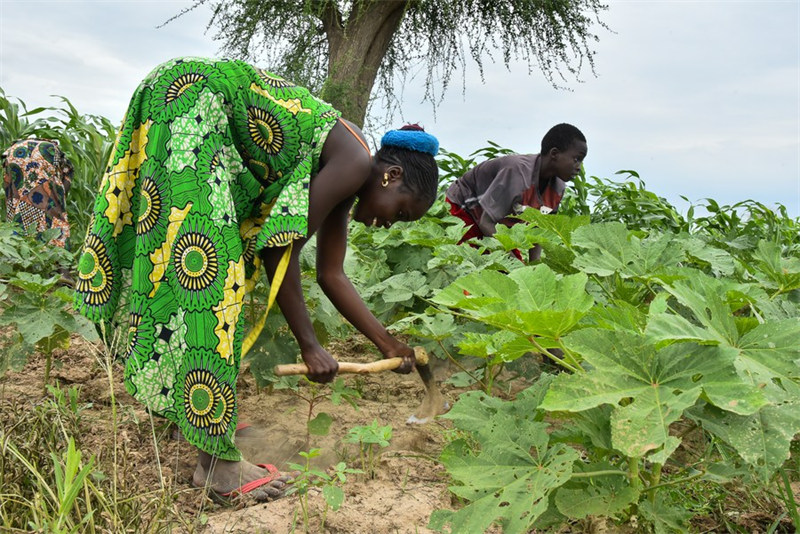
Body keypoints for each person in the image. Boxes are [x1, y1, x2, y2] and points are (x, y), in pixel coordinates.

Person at [73, 57, 439, 503]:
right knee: (208, 276)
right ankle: (218, 466)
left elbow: (331, 273)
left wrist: (388, 343)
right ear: (392, 175)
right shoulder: (354, 162)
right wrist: (310, 345)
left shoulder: (351, 169)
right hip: (192, 99)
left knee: (203, 268)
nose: (390, 223)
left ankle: (192, 417)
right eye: (400, 211)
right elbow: (279, 250)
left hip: (187, 98)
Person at [445, 123, 587, 262]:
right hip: (465, 208)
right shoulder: (517, 175)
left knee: (513, 273)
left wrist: (534, 266)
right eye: (576, 159)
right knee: (473, 267)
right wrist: (514, 265)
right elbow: (486, 223)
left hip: (495, 221)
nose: (579, 167)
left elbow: (538, 229)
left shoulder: (557, 189)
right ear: (554, 154)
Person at [2, 137, 73, 248]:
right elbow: (66, 181)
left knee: (16, 208)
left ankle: (17, 249)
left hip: (15, 156)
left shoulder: (14, 149)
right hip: (45, 159)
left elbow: (7, 185)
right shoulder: (55, 153)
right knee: (52, 218)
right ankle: (53, 252)